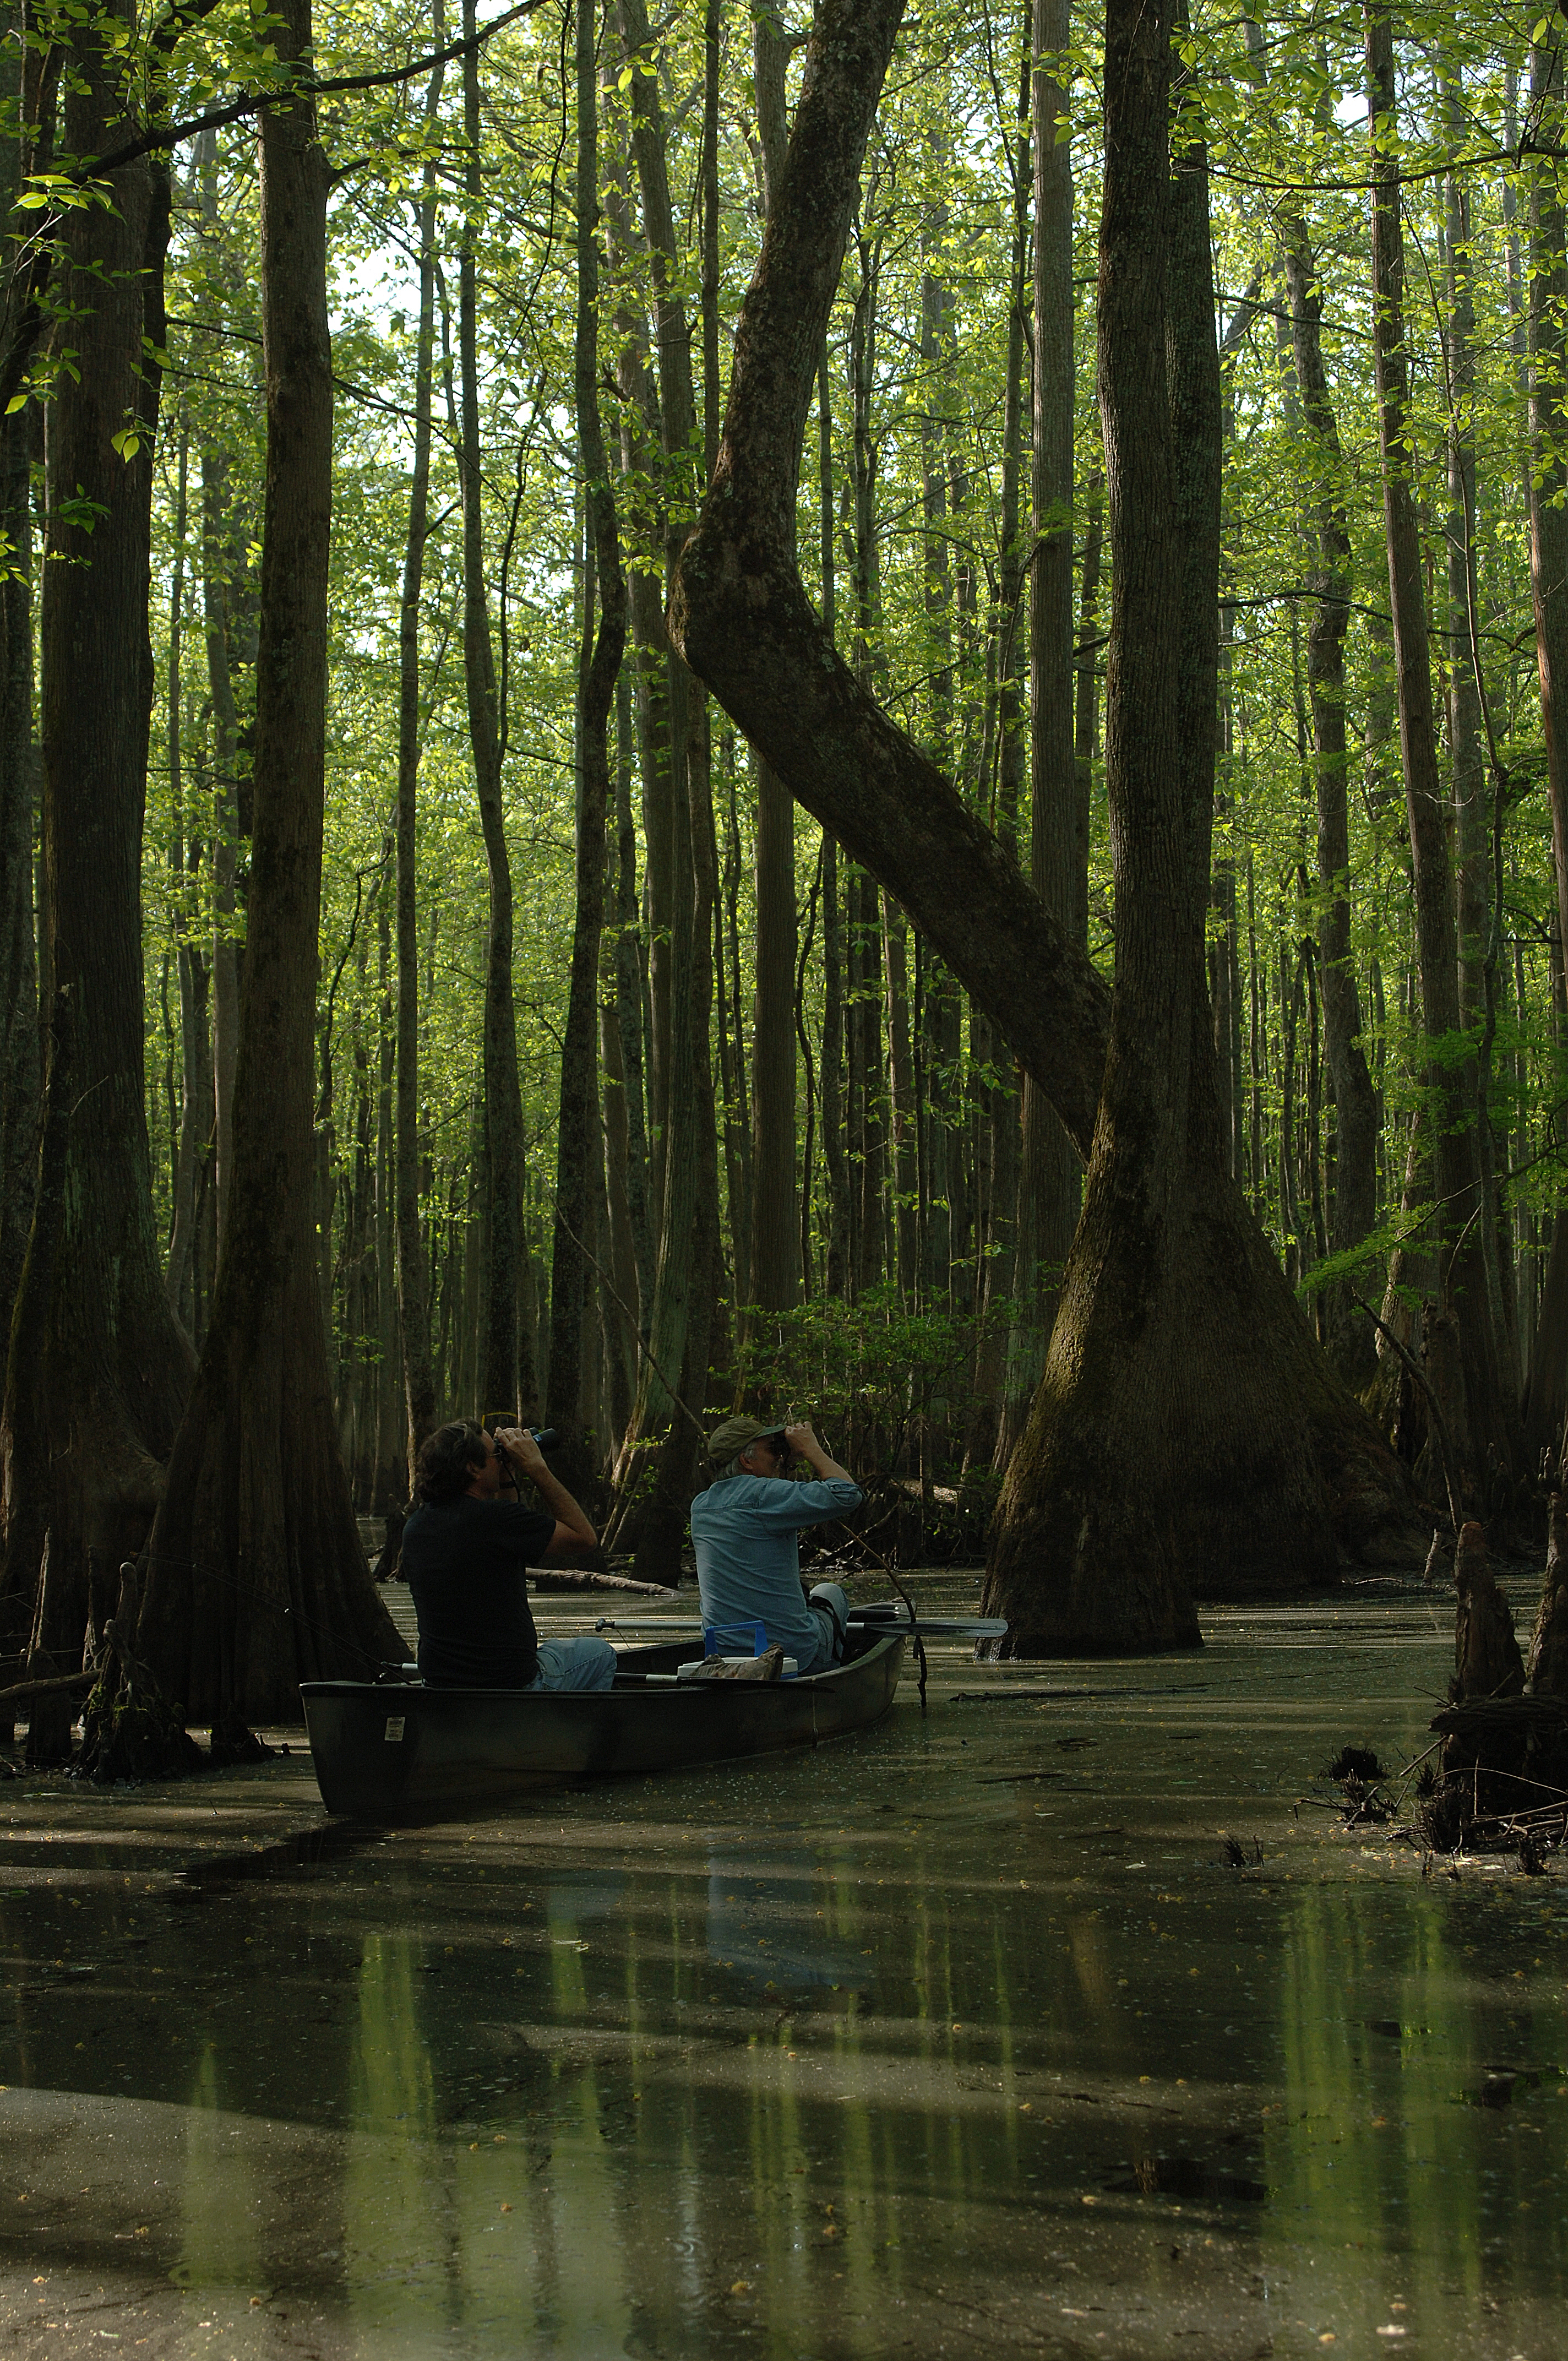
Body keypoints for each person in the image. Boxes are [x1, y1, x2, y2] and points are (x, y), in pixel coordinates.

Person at [401, 1422, 618, 1691]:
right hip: (512, 1683)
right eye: (496, 1455)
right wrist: (536, 1467)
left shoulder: (417, 1525)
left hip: (440, 1684)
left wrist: (505, 1474)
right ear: (472, 1468)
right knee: (600, 1653)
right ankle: (566, 1732)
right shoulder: (495, 1520)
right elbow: (584, 1538)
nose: (500, 1459)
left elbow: (510, 1531)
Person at [690, 1418, 863, 1675]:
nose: (778, 1458)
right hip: (790, 1652)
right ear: (746, 1461)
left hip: (725, 1651)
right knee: (830, 1592)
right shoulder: (764, 1495)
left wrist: (784, 1460)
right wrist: (810, 1450)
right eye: (772, 1450)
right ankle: (829, 1672)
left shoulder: (701, 1505)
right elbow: (847, 1494)